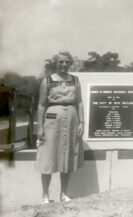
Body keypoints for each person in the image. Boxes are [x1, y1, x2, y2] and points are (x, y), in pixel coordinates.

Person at [35, 51, 84, 204]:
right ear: (55, 63)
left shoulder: (75, 80)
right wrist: (40, 127)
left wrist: (82, 122)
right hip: (52, 118)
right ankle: (45, 196)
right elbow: (41, 105)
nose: (63, 65)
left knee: (67, 156)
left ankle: (64, 194)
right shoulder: (47, 81)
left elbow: (79, 102)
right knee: (48, 157)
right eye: (60, 62)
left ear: (71, 64)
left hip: (71, 118)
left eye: (67, 62)